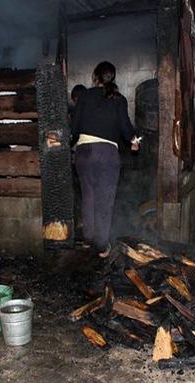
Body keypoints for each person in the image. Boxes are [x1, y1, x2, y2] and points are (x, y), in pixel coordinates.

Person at [71, 61, 140, 258]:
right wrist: (134, 141)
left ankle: (89, 237)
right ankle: (101, 246)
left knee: (89, 195)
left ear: (95, 77)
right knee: (105, 199)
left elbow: (74, 129)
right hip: (107, 155)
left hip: (84, 153)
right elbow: (126, 128)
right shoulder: (119, 99)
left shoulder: (84, 96)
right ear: (113, 77)